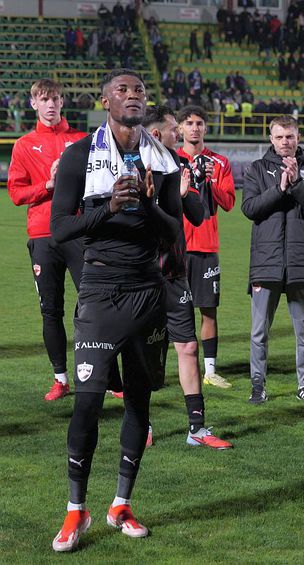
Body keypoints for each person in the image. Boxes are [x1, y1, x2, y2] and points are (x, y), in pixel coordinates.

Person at [49, 69, 182, 552]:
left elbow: (174, 235)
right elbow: (60, 228)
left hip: (147, 291)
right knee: (86, 401)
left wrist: (145, 205)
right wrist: (108, 206)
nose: (133, 96)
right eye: (122, 90)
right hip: (101, 288)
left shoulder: (161, 159)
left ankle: (120, 504)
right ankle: (75, 511)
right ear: (105, 100)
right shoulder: (79, 156)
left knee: (138, 404)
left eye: (140, 89)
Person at [142, 105, 232, 449]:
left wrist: (189, 189)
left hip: (174, 272)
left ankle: (197, 428)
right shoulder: (135, 167)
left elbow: (199, 213)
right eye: (172, 129)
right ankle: (142, 424)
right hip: (145, 275)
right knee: (145, 352)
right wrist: (169, 201)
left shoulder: (179, 167)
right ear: (155, 134)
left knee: (188, 345)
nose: (178, 134)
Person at [8, 79, 86, 401]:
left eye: (55, 98)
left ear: (62, 102)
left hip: (79, 232)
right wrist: (48, 185)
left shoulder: (82, 140)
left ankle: (105, 375)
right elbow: (15, 193)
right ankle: (61, 379)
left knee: (95, 303)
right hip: (42, 236)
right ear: (33, 104)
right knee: (50, 310)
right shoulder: (24, 146)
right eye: (44, 99)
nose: (50, 104)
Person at [241, 116, 304, 404]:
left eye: (290, 136)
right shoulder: (256, 169)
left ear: (298, 137)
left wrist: (298, 184)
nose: (285, 142)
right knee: (259, 332)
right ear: (271, 138)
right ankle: (257, 386)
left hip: (301, 262)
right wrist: (279, 188)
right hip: (266, 263)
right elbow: (250, 208)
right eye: (279, 137)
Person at [177, 105, 236, 389]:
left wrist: (210, 179)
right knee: (171, 311)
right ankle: (171, 369)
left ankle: (210, 371)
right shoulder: (171, 160)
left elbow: (228, 203)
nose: (195, 128)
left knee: (208, 310)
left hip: (206, 246)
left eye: (199, 123)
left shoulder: (220, 162)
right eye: (189, 123)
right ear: (180, 129)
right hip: (175, 246)